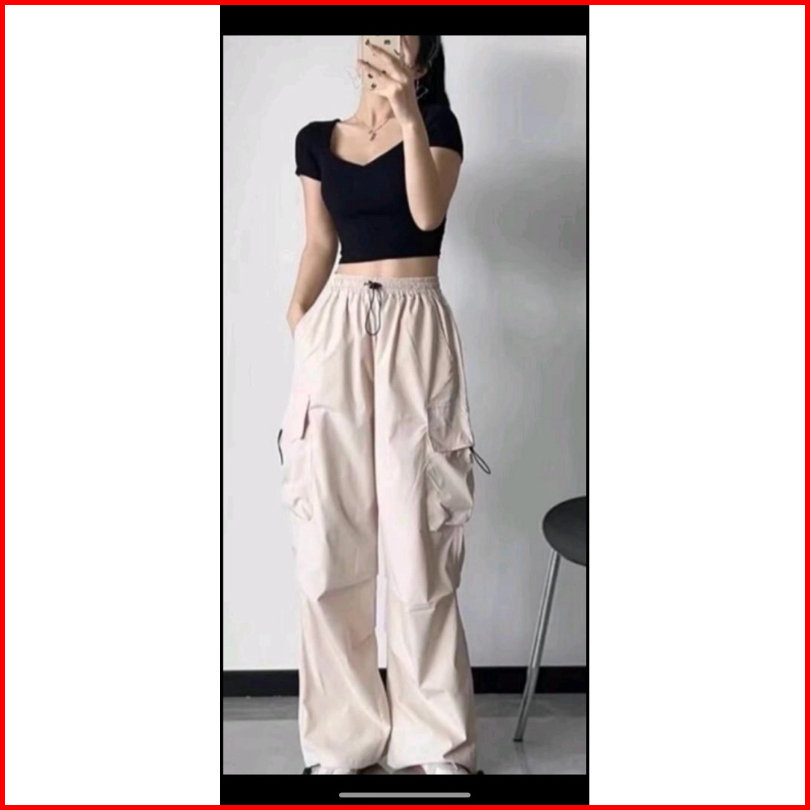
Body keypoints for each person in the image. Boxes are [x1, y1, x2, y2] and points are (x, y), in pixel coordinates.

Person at [278, 35, 489, 777]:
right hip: (336, 327)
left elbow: (426, 215)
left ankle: (435, 742)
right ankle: (342, 742)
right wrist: (300, 317)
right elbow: (318, 243)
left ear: (420, 59)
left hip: (414, 321)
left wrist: (407, 111)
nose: (383, 40)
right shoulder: (315, 140)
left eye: (400, 33)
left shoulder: (438, 126)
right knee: (329, 536)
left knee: (418, 539)